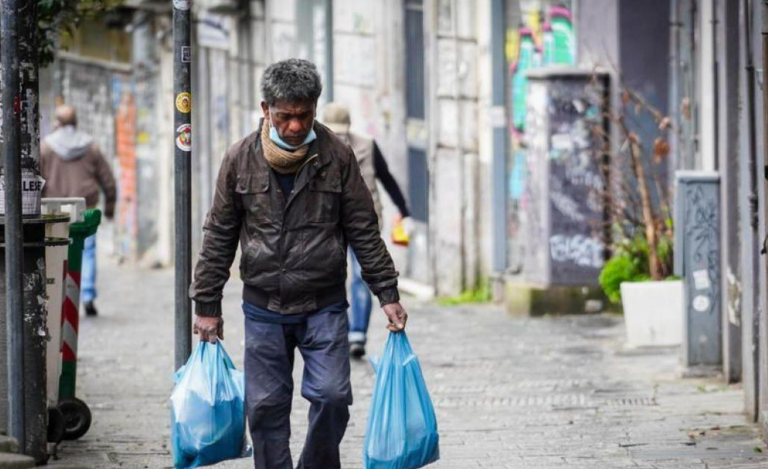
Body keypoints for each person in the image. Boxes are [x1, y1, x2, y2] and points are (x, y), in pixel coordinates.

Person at [189, 59, 408, 469]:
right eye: (285, 116)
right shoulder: (240, 159)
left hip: (323, 303)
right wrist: (206, 305)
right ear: (265, 108)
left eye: (303, 115)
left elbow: (363, 228)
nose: (294, 126)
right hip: (263, 306)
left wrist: (387, 293)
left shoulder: (337, 157)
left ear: (315, 108)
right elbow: (219, 234)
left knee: (333, 396)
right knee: (266, 407)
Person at [322, 102, 411, 359]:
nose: (339, 136)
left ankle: (357, 334)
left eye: (342, 131)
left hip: (365, 222)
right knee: (332, 277)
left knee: (363, 277)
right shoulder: (313, 148)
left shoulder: (367, 145)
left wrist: (404, 211)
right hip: (329, 223)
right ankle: (338, 331)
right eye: (333, 131)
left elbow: (387, 178)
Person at [41, 105, 116, 317]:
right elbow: (107, 179)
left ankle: (58, 293)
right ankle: (88, 295)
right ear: (76, 122)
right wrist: (109, 207)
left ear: (57, 122)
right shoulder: (90, 147)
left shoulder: (46, 147)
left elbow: (38, 178)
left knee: (55, 251)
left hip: (54, 211)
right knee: (88, 252)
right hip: (85, 208)